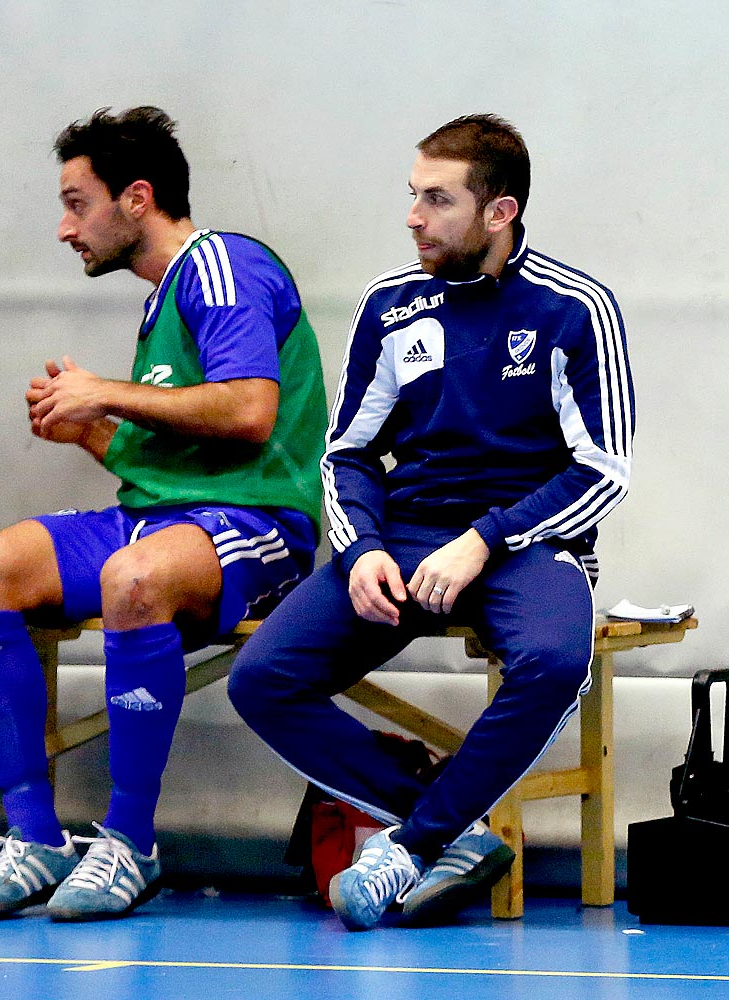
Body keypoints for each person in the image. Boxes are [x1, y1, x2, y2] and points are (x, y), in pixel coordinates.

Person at [228, 113, 635, 931]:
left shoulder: (573, 307)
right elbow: (345, 455)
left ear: (499, 211)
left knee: (556, 661)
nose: (412, 217)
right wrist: (363, 549)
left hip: (526, 543)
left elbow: (604, 469)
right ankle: (448, 832)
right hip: (403, 535)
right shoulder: (391, 304)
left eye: (436, 199)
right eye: (412, 196)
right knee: (261, 679)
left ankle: (406, 847)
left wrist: (485, 538)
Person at [0, 107, 327, 922]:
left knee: (133, 578)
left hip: (260, 528)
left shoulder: (221, 265)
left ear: (137, 198)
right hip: (160, 522)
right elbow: (170, 462)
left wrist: (107, 393)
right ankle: (36, 836)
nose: (63, 227)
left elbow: (251, 413)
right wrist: (92, 434)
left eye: (76, 203)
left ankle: (128, 844)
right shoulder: (163, 299)